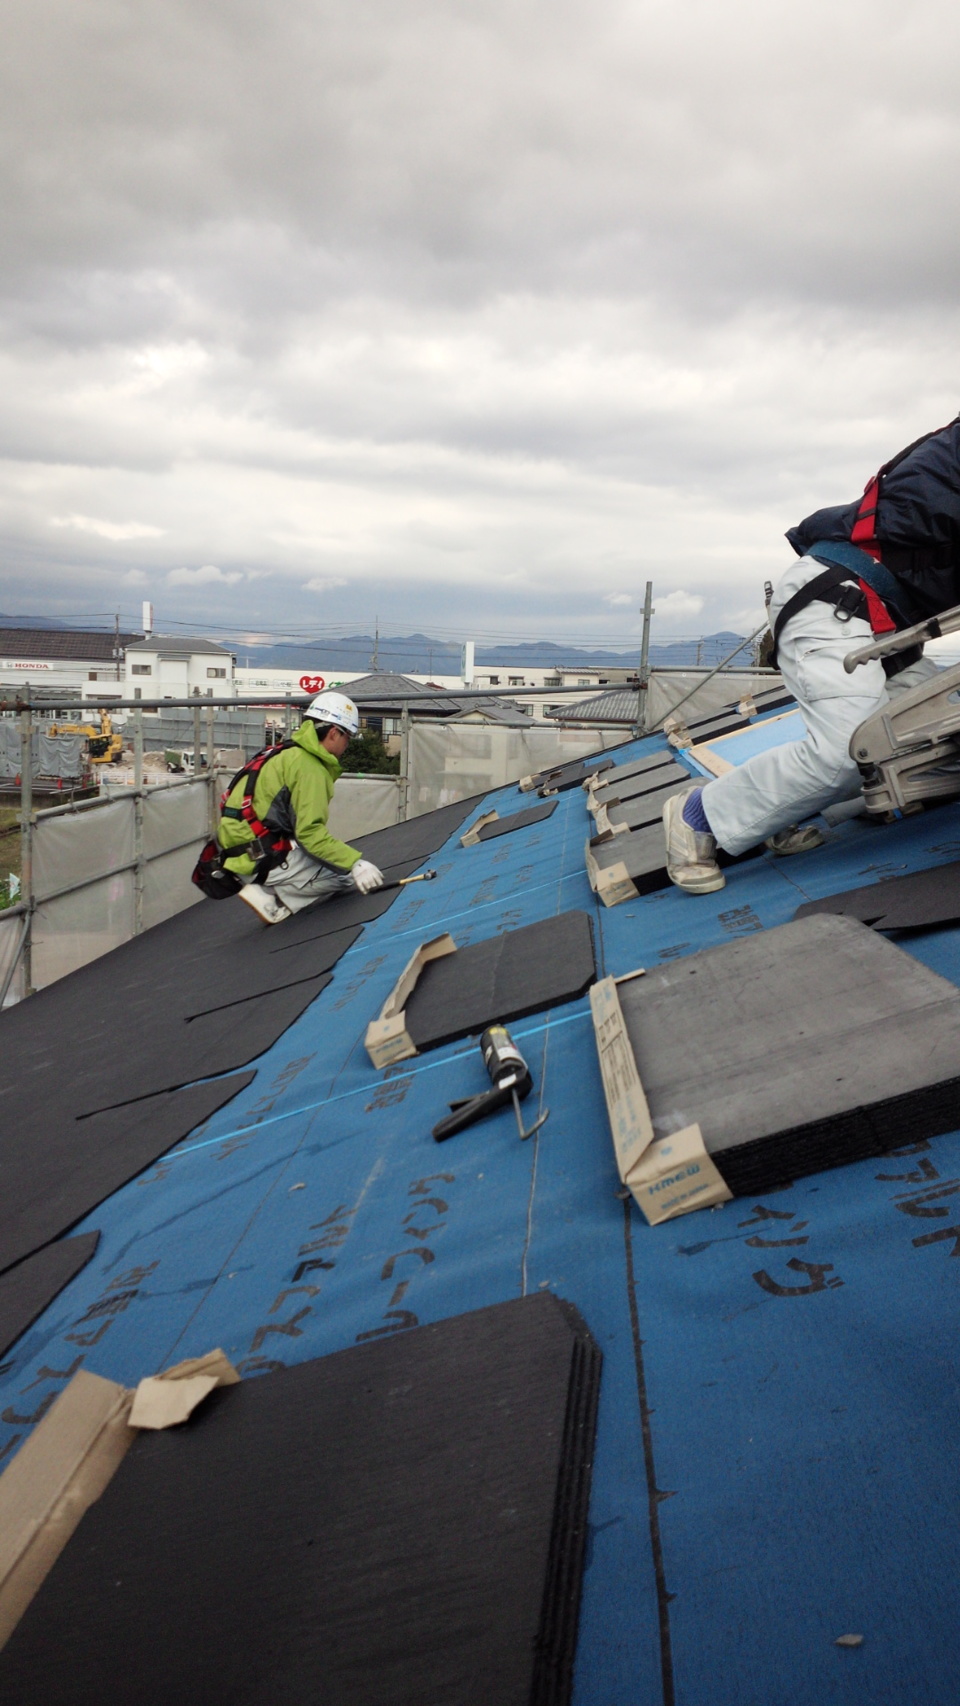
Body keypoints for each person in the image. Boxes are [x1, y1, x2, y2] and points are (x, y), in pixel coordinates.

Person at [664, 412, 960, 893]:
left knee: (942, 732)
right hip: (835, 602)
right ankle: (700, 816)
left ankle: (776, 808)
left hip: (883, 619)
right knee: (854, 750)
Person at [218, 690, 384, 924]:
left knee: (329, 861)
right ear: (334, 733)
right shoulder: (310, 768)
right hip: (255, 855)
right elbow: (310, 833)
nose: (348, 744)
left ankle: (266, 882)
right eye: (348, 736)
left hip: (239, 843)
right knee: (345, 877)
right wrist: (355, 864)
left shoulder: (286, 751)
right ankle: (269, 895)